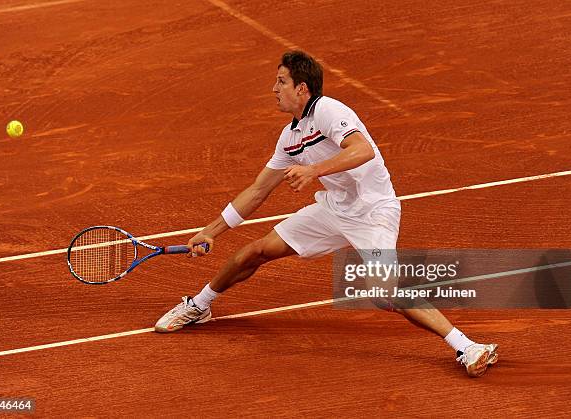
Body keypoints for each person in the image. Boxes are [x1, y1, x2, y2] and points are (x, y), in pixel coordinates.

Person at [155, 50, 498, 377]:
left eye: (281, 82)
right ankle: (199, 304)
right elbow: (258, 190)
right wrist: (212, 231)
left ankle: (466, 346)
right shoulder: (289, 137)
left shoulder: (328, 110)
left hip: (373, 211)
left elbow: (362, 149)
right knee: (256, 250)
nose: (274, 89)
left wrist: (313, 170)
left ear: (301, 88)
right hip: (335, 209)